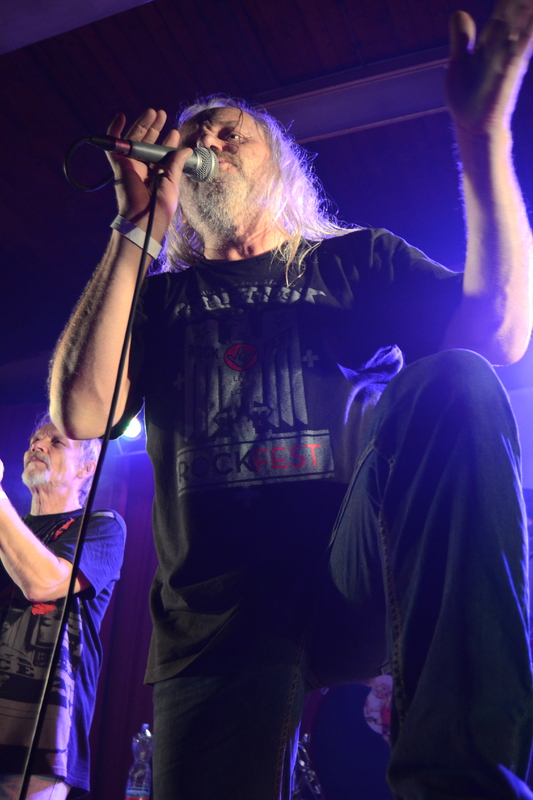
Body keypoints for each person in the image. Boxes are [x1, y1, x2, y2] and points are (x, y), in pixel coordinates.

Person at [49, 2, 533, 798]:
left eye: (227, 133)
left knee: (453, 380)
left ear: (278, 164)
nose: (204, 144)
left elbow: (500, 334)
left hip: (351, 566)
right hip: (214, 617)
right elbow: (82, 412)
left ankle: (462, 780)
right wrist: (135, 225)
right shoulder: (156, 300)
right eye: (192, 137)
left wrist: (483, 137)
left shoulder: (355, 262)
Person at [0, 417, 126, 799]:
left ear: (86, 469)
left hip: (39, 739)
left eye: (55, 442)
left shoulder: (102, 526)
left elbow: (42, 582)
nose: (37, 445)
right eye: (35, 438)